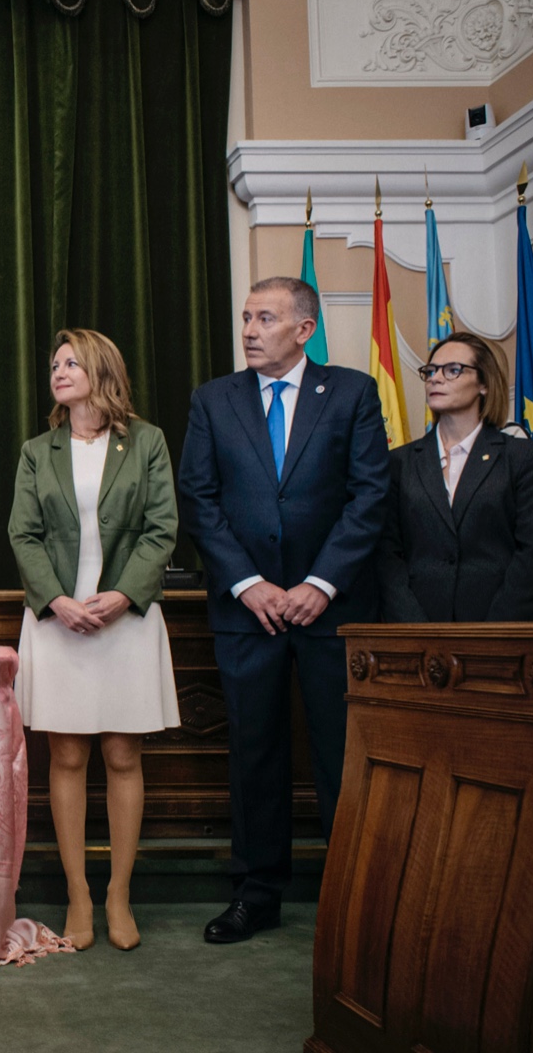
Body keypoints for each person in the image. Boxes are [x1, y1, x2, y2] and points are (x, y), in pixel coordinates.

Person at [177, 277, 388, 944]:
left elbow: (369, 496)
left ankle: (351, 895)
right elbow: (199, 500)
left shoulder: (351, 392)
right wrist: (248, 583)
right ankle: (257, 893)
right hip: (248, 612)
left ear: (304, 328)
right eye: (245, 317)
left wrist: (320, 582)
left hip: (331, 609)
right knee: (255, 754)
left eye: (264, 318)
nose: (248, 330)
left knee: (339, 754)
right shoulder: (213, 399)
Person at [9, 329, 180, 952]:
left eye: (71, 362)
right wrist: (56, 599)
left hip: (125, 621)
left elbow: (163, 530)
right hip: (57, 622)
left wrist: (122, 594)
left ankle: (119, 894)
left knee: (123, 757)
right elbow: (22, 534)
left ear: (101, 370)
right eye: (54, 363)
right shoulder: (37, 450)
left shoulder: (148, 443)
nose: (58, 371)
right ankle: (79, 893)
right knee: (69, 758)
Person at [379, 331, 533, 622]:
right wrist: (416, 629)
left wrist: (492, 634)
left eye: (452, 370)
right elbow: (387, 555)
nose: (435, 379)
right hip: (419, 633)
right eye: (430, 371)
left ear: (484, 384)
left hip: (506, 630)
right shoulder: (399, 462)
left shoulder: (523, 457)